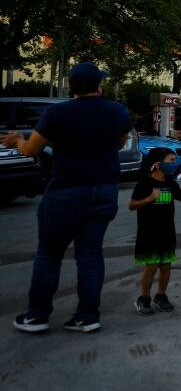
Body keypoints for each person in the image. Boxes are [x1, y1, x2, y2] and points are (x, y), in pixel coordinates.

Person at [7, 62, 132, 334]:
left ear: (72, 87)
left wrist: (17, 140)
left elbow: (31, 149)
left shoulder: (57, 113)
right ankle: (87, 316)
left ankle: (37, 315)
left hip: (65, 192)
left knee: (49, 256)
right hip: (103, 191)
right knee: (90, 256)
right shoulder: (117, 111)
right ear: (99, 86)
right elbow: (120, 142)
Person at [129, 148, 181, 315]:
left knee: (166, 266)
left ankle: (161, 296)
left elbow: (179, 197)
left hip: (167, 231)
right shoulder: (145, 183)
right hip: (149, 232)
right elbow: (132, 205)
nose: (173, 164)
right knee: (151, 266)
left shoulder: (170, 183)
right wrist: (149, 199)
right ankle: (143, 298)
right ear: (158, 164)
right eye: (170, 160)